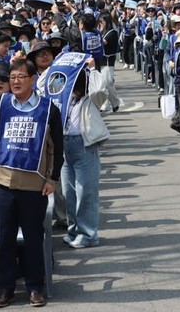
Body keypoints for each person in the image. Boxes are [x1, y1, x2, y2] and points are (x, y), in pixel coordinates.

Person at [0, 57, 63, 308]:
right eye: (13, 77)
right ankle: (5, 289)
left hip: (33, 185)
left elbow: (57, 148)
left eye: (21, 77)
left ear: (33, 80)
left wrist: (53, 179)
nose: (16, 81)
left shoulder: (48, 109)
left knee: (33, 239)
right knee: (5, 240)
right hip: (4, 183)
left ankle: (34, 288)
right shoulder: (3, 104)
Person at [47, 54, 109, 249]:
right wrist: (55, 65)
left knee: (86, 191)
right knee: (68, 192)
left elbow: (100, 89)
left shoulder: (92, 99)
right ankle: (74, 229)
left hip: (84, 144)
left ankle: (89, 234)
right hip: (63, 145)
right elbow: (42, 86)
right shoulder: (61, 95)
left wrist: (91, 69)